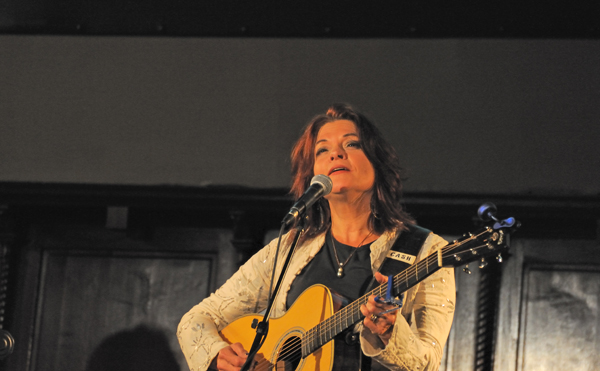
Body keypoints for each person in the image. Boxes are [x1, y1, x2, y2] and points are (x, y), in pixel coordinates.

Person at [177, 103, 456, 371]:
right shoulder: (289, 249)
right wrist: (217, 354)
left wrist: (389, 334)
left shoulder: (427, 251)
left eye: (351, 144)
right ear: (312, 175)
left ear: (377, 162)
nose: (336, 154)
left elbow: (427, 362)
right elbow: (196, 320)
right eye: (322, 150)